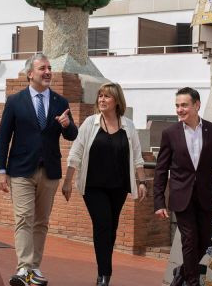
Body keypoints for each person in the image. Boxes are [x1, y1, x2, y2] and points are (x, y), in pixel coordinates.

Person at [0, 53, 78, 286]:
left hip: (49, 170)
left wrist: (68, 125)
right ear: (30, 73)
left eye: (50, 68)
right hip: (21, 169)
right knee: (23, 217)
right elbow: (3, 138)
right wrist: (0, 169)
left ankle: (34, 267)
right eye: (43, 68)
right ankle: (23, 268)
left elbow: (72, 135)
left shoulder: (60, 102)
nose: (48, 72)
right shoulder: (15, 101)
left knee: (41, 221)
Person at [62, 82, 147, 286]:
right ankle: (104, 276)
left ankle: (103, 272)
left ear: (117, 101)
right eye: (100, 96)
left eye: (106, 96)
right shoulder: (90, 123)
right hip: (93, 186)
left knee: (111, 228)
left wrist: (141, 182)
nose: (101, 100)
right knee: (102, 225)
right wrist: (67, 181)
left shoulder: (128, 126)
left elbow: (137, 157)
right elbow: (75, 153)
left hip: (118, 187)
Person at [153, 87, 212, 286]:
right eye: (177, 106)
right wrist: (159, 202)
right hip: (181, 196)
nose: (180, 109)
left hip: (207, 196)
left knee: (204, 241)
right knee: (189, 240)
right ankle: (192, 282)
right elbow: (161, 169)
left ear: (197, 105)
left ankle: (182, 271)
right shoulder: (170, 133)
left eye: (184, 105)